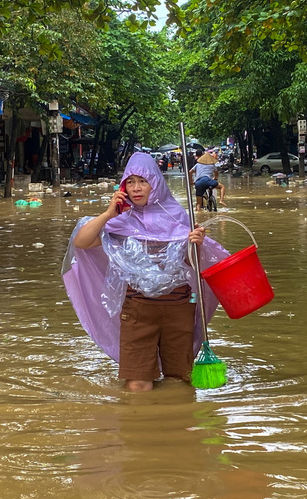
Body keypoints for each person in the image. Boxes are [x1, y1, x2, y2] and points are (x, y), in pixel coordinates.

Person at [64, 153, 226, 392]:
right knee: (137, 384)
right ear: (123, 187)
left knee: (178, 383)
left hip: (179, 308)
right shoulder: (120, 222)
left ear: (156, 183)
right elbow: (82, 242)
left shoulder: (179, 217)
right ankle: (138, 426)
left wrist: (196, 244)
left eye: (143, 181)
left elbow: (190, 266)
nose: (136, 188)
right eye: (130, 182)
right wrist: (109, 213)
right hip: (137, 309)